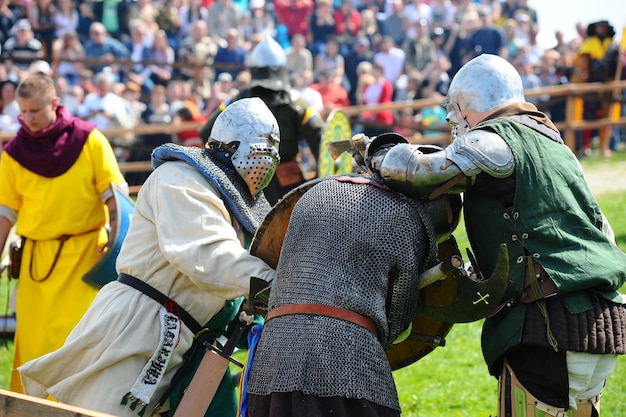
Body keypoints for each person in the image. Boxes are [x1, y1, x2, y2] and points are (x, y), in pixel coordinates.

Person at [365, 54, 626, 417]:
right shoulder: (555, 143)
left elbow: (421, 171)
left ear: (467, 107)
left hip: (545, 329)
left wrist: (378, 153)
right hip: (601, 322)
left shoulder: (494, 139)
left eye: (456, 115)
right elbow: (602, 229)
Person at [18, 97, 280, 416]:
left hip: (197, 345)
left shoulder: (230, 203)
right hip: (138, 327)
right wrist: (281, 284)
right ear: (234, 147)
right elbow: (210, 256)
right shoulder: (181, 180)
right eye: (260, 155)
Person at [245, 173, 439, 417]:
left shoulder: (313, 194)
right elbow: (399, 312)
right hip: (345, 356)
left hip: (272, 355)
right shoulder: (406, 214)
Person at [0, 73, 127, 393]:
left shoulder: (89, 140)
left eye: (35, 111)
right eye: (22, 112)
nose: (27, 119)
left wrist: (114, 241)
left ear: (55, 104)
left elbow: (115, 197)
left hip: (87, 260)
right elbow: (4, 214)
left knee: (81, 344)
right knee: (34, 346)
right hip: (36, 268)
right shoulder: (14, 154)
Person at [199, 35, 324, 206]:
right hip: (286, 185)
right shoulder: (297, 104)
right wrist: (320, 181)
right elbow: (322, 139)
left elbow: (207, 131)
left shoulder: (238, 101)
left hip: (246, 183)